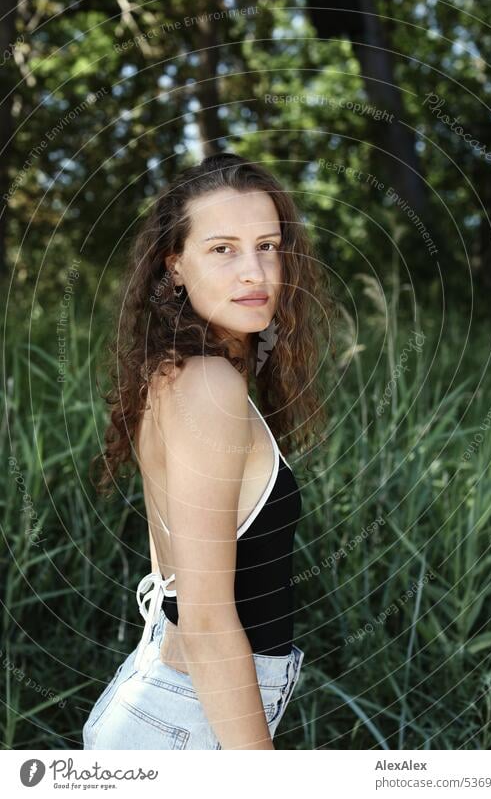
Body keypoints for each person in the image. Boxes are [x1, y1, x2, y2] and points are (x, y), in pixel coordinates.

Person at [82, 152, 334, 750]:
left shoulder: (179, 373)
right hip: (188, 725)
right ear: (175, 267)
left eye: (268, 246)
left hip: (169, 706)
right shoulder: (207, 385)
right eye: (223, 249)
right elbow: (206, 622)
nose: (254, 272)